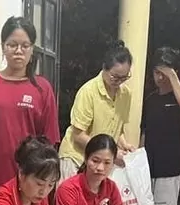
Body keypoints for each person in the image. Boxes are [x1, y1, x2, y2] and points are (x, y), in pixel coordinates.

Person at [0, 16, 61, 205]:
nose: (18, 51)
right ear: (3, 46)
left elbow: (49, 142)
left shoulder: (42, 88)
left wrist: (44, 180)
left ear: (32, 49)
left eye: (25, 45)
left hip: (29, 182)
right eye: (12, 44)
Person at [58, 41, 136, 182]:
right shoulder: (88, 91)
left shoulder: (126, 94)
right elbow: (78, 135)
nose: (119, 81)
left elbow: (117, 128)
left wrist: (124, 144)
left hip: (100, 162)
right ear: (104, 68)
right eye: (115, 76)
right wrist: (110, 153)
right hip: (77, 158)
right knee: (71, 202)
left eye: (124, 77)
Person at [141, 47, 180, 205]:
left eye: (164, 73)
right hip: (148, 163)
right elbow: (144, 130)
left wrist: (171, 75)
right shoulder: (151, 99)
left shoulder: (179, 97)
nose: (160, 77)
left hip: (169, 164)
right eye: (156, 72)